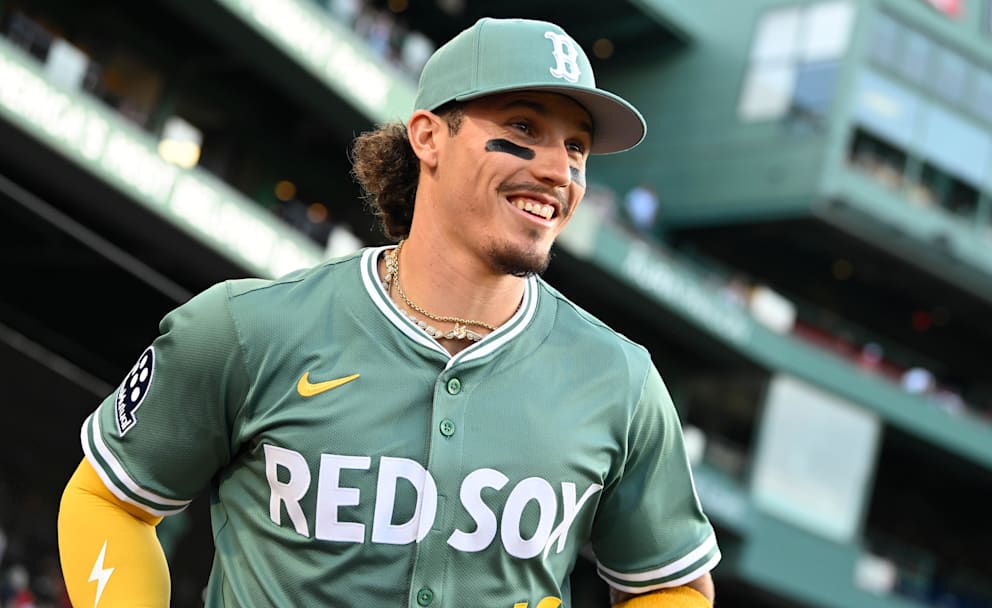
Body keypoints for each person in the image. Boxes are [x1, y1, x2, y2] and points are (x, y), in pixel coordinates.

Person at [56, 17, 720, 607]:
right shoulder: (245, 328)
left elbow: (671, 583)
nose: (558, 169)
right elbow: (108, 501)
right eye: (524, 128)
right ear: (429, 136)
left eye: (576, 148)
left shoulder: (621, 382)